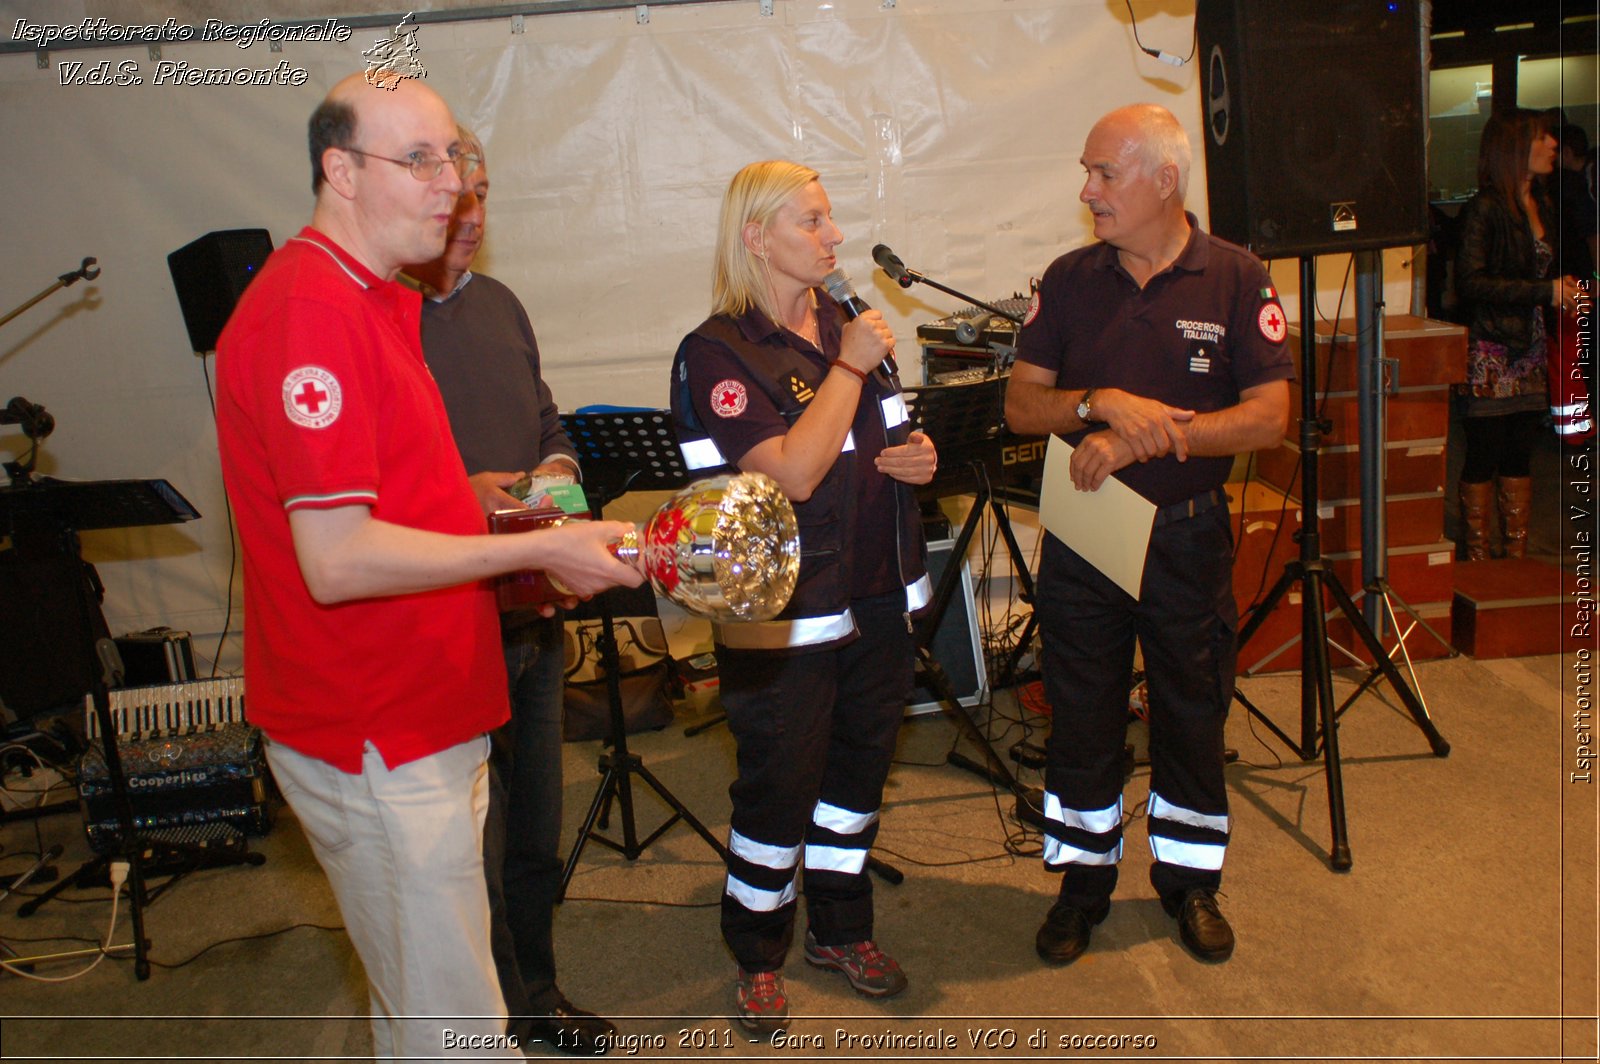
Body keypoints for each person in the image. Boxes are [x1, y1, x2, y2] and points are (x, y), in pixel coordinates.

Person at [214, 73, 641, 1059]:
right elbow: (336, 555)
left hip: (427, 704)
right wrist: (538, 545)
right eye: (419, 158)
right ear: (339, 170)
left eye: (453, 154)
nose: (449, 182)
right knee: (455, 1019)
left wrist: (519, 510)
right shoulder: (311, 312)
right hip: (376, 724)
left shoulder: (373, 299)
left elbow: (403, 492)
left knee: (427, 993)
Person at [1004, 104, 1292, 967]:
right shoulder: (1069, 278)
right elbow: (1021, 407)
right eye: (1087, 173)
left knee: (1190, 711)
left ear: (1165, 181)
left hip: (1188, 535)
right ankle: (1081, 885)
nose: (1086, 190)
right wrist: (1098, 405)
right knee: (1082, 715)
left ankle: (1191, 882)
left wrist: (1157, 432)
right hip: (1087, 536)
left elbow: (1270, 417)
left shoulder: (1238, 278)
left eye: (1104, 174)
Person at [668, 160, 937, 1033]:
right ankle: (756, 953)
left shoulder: (846, 323)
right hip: (784, 615)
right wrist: (851, 372)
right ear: (757, 238)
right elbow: (791, 469)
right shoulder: (719, 352)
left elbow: (882, 439)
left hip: (878, 596)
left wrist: (916, 456)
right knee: (779, 790)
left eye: (830, 220)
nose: (834, 237)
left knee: (858, 779)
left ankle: (841, 930)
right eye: (812, 222)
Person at [403, 127, 616, 1055]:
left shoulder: (501, 302)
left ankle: (536, 997)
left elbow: (543, 417)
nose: (471, 211)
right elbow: (366, 494)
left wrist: (556, 466)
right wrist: (466, 495)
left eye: (481, 191)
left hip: (532, 616)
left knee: (535, 830)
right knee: (468, 853)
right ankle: (487, 1015)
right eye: (455, 192)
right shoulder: (378, 320)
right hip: (447, 628)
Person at [1455, 109, 1586, 560]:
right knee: (1483, 455)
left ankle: (1514, 562)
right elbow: (1470, 283)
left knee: (1519, 456)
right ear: (1515, 148)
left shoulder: (1543, 204)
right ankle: (1476, 560)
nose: (1553, 144)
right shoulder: (1485, 207)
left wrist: (1565, 288)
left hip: (1529, 350)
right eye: (1542, 137)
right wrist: (1543, 290)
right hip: (1490, 352)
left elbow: (1546, 272)